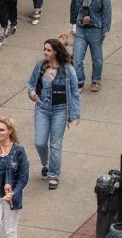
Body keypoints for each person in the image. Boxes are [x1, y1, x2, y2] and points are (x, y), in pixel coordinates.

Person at [27, 38, 81, 191]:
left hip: (60, 109)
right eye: (44, 49)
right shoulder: (40, 65)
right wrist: (32, 93)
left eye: (48, 50)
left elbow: (74, 93)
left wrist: (74, 116)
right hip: (42, 107)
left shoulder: (67, 69)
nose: (45, 52)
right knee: (40, 142)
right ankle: (47, 163)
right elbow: (31, 84)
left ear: (56, 52)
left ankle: (53, 175)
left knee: (55, 144)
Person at [69, 0, 112, 93]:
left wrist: (105, 28)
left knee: (97, 58)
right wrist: (73, 24)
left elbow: (107, 10)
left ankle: (96, 80)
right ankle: (79, 81)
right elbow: (73, 7)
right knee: (77, 58)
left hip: (95, 29)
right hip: (81, 29)